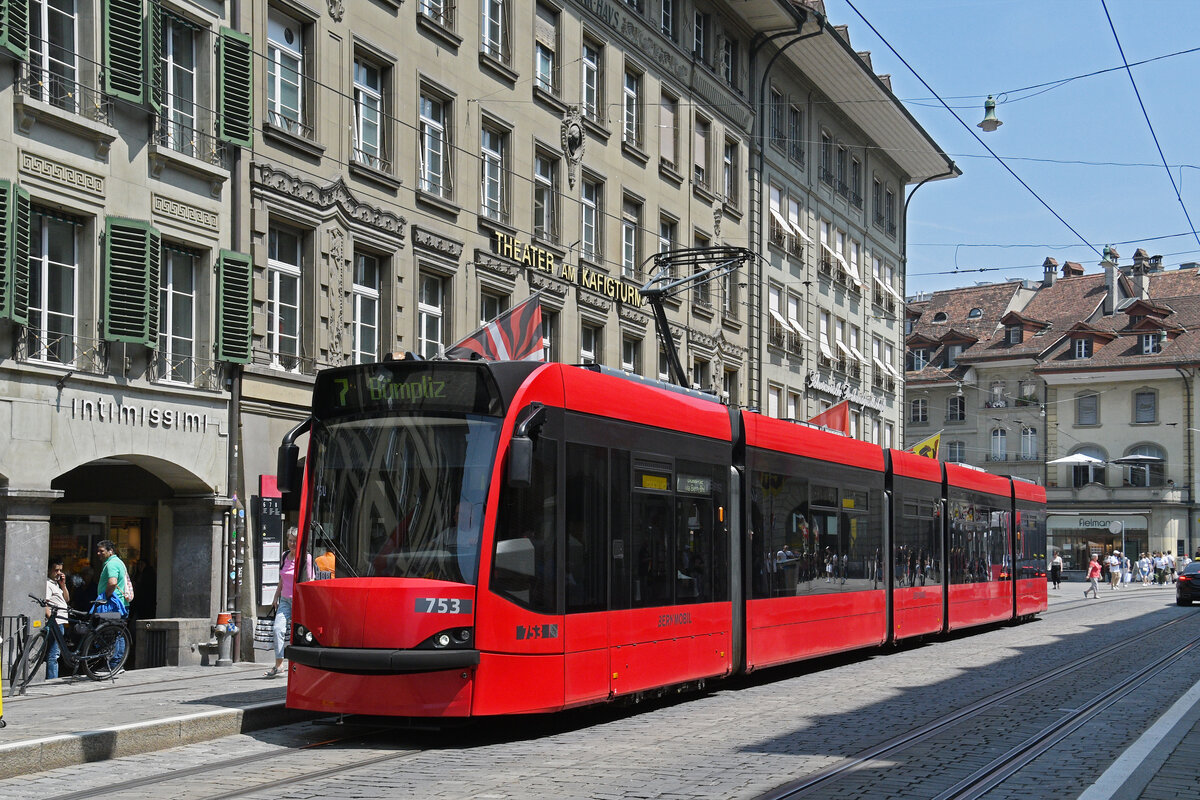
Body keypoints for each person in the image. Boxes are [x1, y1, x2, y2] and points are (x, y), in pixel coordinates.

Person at [267, 527, 311, 677]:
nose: (292, 543)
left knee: (300, 634)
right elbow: (282, 580)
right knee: (277, 629)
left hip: (300, 602)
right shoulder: (284, 556)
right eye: (290, 540)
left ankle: (303, 665)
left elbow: (311, 581)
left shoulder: (306, 558)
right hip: (285, 601)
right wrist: (275, 597)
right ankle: (279, 665)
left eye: (295, 541)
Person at [45, 558, 70, 679]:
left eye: (60, 570)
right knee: (53, 654)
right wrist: (52, 621)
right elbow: (45, 605)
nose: (59, 573)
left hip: (60, 622)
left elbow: (66, 599)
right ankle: (52, 679)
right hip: (56, 622)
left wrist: (63, 585)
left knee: (56, 653)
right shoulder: (48, 584)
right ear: (50, 570)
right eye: (56, 570)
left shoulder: (56, 584)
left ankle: (52, 677)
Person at [95, 539, 131, 615]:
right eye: (98, 551)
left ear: (110, 551)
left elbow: (112, 583)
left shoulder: (112, 563)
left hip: (113, 605)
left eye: (102, 551)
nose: (98, 553)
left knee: (108, 627)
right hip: (118, 603)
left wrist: (104, 598)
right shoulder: (118, 561)